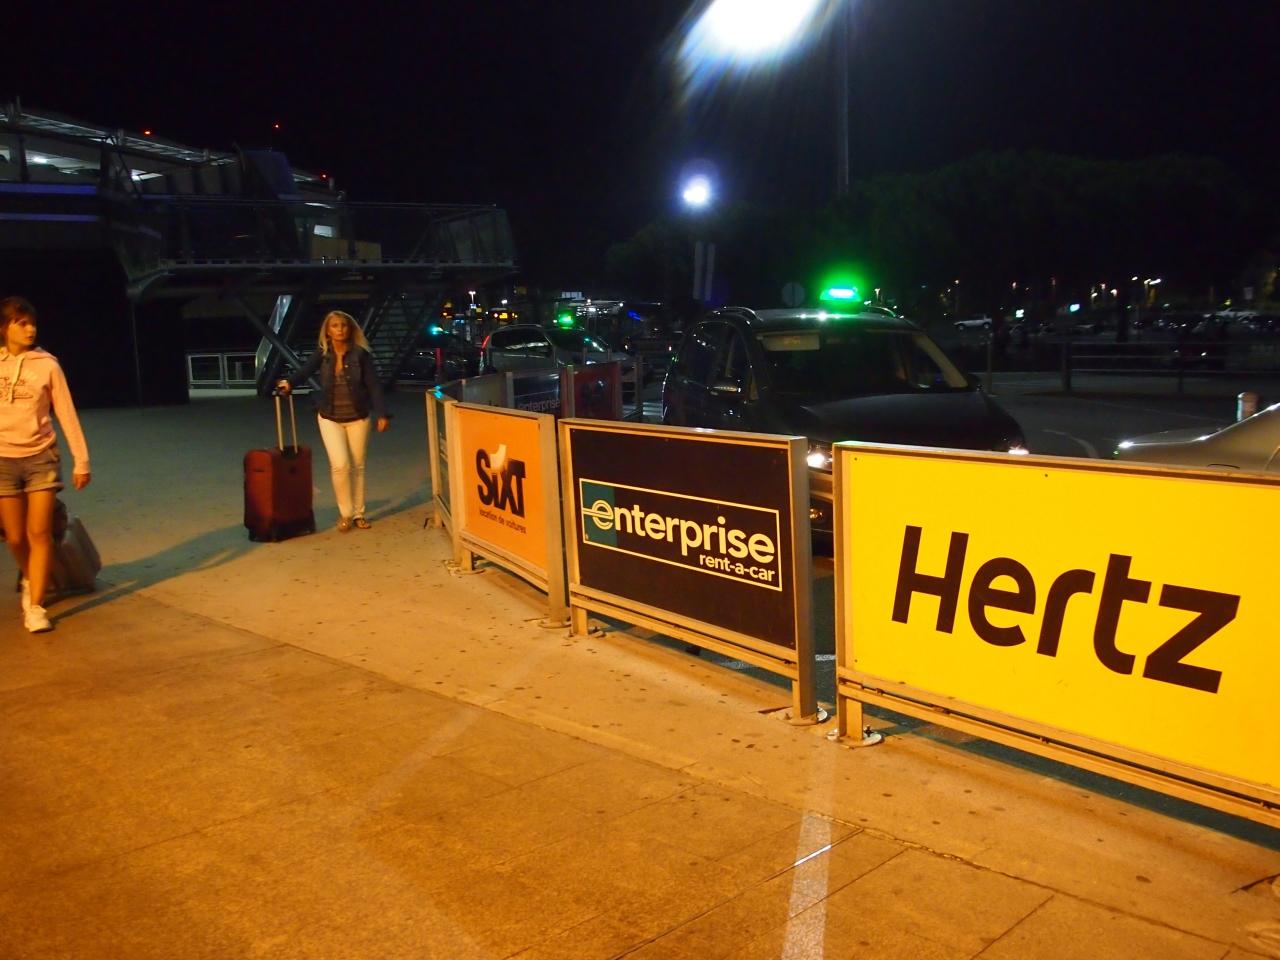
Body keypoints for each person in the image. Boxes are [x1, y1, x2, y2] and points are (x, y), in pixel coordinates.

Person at [0, 297, 91, 633]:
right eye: (21, 323)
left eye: (33, 323)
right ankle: (30, 577)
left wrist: (82, 460)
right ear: (4, 327)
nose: (30, 329)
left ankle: (36, 607)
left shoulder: (48, 365)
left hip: (41, 457)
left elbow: (65, 412)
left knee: (38, 533)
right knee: (14, 537)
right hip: (2, 459)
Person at [276, 310, 389, 532]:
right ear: (328, 331)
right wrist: (289, 383)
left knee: (357, 466)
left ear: (350, 329)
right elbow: (305, 371)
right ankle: (345, 513)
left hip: (358, 417)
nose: (340, 330)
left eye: (344, 325)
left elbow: (374, 386)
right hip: (329, 417)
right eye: (335, 326)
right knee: (340, 465)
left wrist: (382, 413)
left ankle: (358, 513)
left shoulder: (361, 355)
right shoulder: (323, 353)